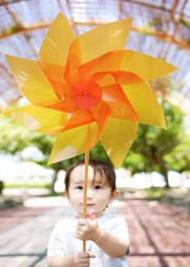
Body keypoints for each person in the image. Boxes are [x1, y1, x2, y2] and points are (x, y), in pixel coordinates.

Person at [47, 159, 130, 267]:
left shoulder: (115, 222)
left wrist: (98, 235)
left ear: (112, 195)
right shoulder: (62, 226)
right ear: (67, 194)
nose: (88, 195)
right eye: (79, 187)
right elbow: (52, 261)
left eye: (97, 187)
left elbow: (121, 251)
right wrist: (71, 262)